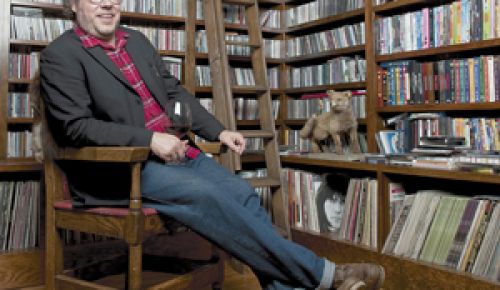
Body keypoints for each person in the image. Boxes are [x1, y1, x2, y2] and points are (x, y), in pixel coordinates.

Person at [39, 0, 385, 289]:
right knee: (206, 196)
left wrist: (217, 131)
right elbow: (75, 127)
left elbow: (174, 93)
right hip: (121, 167)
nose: (106, 3)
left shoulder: (138, 42)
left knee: (241, 192)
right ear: (73, 5)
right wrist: (149, 140)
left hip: (179, 154)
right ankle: (328, 275)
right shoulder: (61, 55)